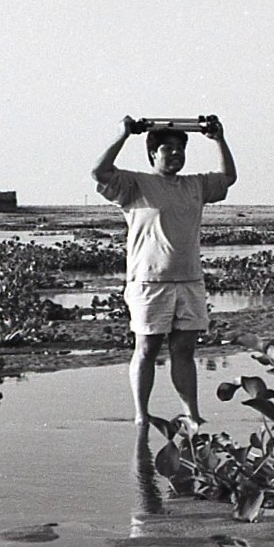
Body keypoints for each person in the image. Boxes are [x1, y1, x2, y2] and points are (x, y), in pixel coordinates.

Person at [91, 115, 237, 426]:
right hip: (149, 282)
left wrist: (218, 139)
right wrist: (123, 135)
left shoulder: (195, 184)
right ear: (152, 154)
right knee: (146, 349)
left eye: (179, 149)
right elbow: (99, 172)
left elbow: (228, 178)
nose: (174, 154)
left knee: (184, 350)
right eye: (166, 149)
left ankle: (192, 414)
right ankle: (141, 415)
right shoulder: (135, 184)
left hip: (189, 281)